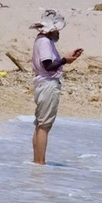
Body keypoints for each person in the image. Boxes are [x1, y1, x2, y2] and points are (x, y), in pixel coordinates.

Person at [30, 9, 83, 165]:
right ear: (52, 30)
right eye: (58, 30)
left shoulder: (41, 40)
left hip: (42, 84)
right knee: (44, 126)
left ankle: (37, 162)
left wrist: (66, 57)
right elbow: (48, 66)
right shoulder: (45, 42)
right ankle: (40, 163)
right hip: (48, 84)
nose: (59, 34)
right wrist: (65, 60)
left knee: (40, 125)